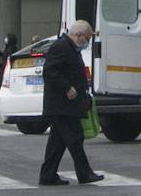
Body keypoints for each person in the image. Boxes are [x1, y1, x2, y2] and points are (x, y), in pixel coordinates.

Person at [39, 20, 103, 186]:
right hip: (62, 105)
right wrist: (67, 87)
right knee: (75, 138)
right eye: (87, 38)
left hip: (65, 105)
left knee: (57, 142)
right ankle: (85, 174)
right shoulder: (61, 47)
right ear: (79, 35)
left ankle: (48, 175)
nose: (87, 42)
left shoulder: (71, 48)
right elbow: (49, 71)